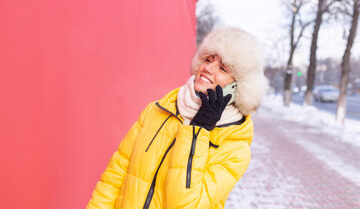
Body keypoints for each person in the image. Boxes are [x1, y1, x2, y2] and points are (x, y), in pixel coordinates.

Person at [87, 26, 268, 209]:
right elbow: (115, 177)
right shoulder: (157, 111)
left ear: (239, 87)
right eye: (208, 59)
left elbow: (184, 204)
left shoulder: (235, 149)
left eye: (222, 68)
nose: (207, 68)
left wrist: (198, 131)